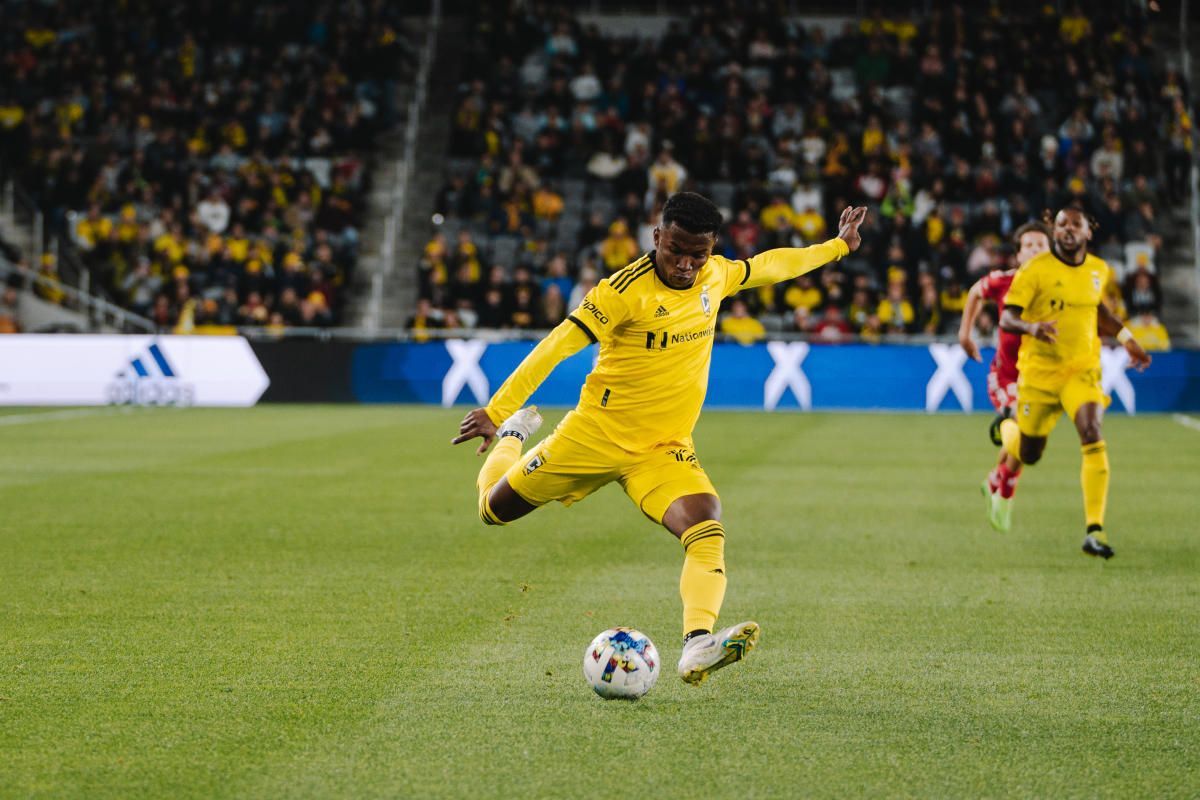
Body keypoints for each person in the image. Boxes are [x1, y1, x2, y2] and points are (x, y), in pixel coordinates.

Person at [453, 193, 868, 685]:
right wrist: (498, 411)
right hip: (592, 438)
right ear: (657, 238)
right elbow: (556, 346)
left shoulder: (716, 274)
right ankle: (515, 436)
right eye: (677, 250)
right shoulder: (621, 290)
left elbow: (773, 265)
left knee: (706, 526)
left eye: (700, 254)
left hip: (662, 447)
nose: (688, 265)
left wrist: (838, 246)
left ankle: (697, 645)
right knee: (492, 511)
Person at [995, 208, 1151, 558]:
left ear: (1087, 232)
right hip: (1039, 375)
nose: (1067, 230)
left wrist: (1127, 338)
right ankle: (1008, 428)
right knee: (1029, 453)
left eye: (1074, 224)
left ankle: (1094, 529)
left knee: (1092, 432)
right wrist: (1033, 328)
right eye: (1061, 224)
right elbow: (1007, 316)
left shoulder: (1099, 269)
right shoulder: (1035, 270)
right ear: (1054, 230)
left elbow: (1098, 310)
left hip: (1082, 371)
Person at [958, 221, 1051, 532]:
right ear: (1018, 254)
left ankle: (995, 479)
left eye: (1042, 245)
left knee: (1028, 441)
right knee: (1024, 435)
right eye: (1030, 245)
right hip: (1007, 377)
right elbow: (974, 292)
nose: (1036, 250)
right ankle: (1005, 495)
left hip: (1041, 380)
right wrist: (965, 334)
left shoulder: (1058, 289)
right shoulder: (1004, 281)